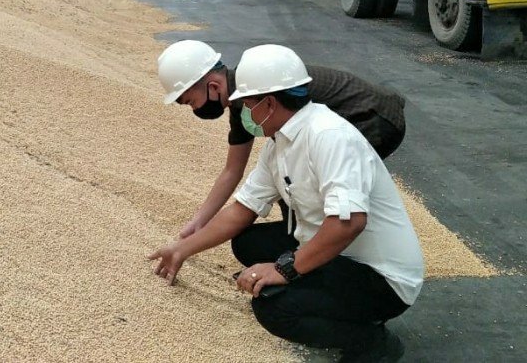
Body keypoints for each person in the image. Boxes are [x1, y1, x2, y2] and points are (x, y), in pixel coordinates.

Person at [149, 44, 424, 362]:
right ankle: (324, 289)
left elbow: (348, 222)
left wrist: (286, 269)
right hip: (341, 254)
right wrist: (183, 248)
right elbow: (242, 209)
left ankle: (372, 344)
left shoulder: (330, 135)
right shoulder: (278, 145)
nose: (243, 114)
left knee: (274, 307)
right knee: (249, 242)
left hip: (380, 277)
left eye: (245, 105)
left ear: (268, 103)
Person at [156, 39, 406, 238]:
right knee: (295, 186)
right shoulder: (241, 102)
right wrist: (200, 221)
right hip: (368, 112)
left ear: (213, 86)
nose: (194, 109)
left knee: (317, 189)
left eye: (191, 101)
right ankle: (306, 246)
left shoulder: (254, 89)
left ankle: (322, 258)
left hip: (374, 118)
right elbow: (232, 171)